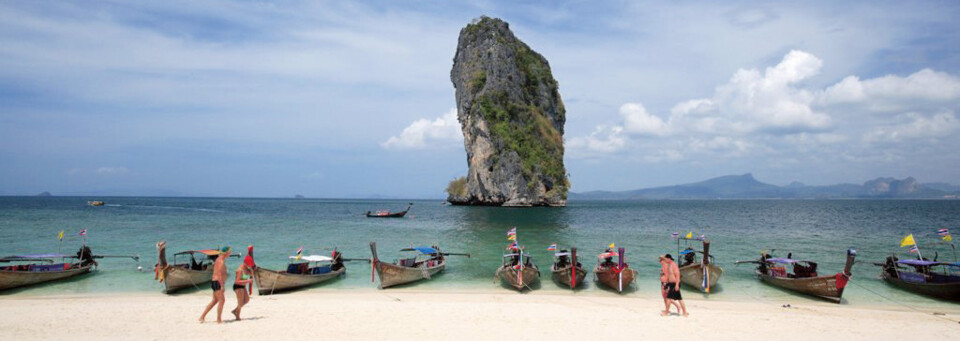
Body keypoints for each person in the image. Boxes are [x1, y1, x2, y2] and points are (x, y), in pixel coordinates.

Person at [200, 247, 231, 323]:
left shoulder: (218, 259)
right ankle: (219, 320)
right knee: (222, 300)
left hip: (215, 281)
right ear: (226, 253)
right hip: (217, 282)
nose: (230, 254)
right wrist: (222, 285)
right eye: (229, 252)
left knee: (214, 301)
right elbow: (219, 273)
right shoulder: (221, 261)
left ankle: (202, 317)